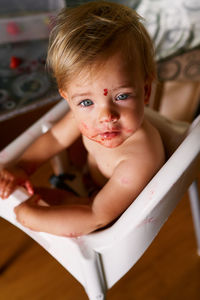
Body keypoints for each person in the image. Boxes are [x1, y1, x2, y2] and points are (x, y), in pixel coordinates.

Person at [0, 1, 165, 237]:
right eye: (86, 102)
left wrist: (31, 218)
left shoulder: (140, 158)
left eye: (121, 96)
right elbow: (56, 138)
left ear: (146, 91)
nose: (106, 116)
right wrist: (23, 167)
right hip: (90, 189)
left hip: (112, 216)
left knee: (39, 208)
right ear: (68, 100)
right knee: (36, 194)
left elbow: (97, 217)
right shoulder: (89, 119)